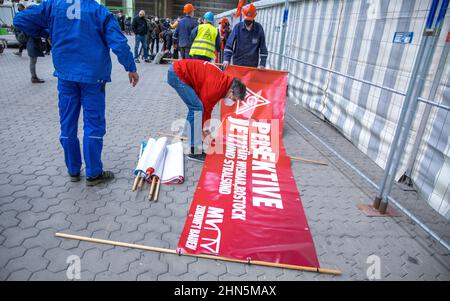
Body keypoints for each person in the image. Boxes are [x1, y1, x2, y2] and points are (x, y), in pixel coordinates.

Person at [14, 0, 139, 186]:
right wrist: (130, 67)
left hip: (66, 74)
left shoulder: (52, 6)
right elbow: (118, 43)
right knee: (93, 124)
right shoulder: (99, 11)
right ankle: (93, 173)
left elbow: (20, 20)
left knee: (67, 123)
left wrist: (48, 32)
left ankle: (73, 170)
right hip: (93, 77)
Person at [167, 59, 247, 162]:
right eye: (234, 99)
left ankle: (187, 136)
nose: (233, 102)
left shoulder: (224, 84)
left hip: (178, 71)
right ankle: (194, 151)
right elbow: (204, 107)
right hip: (177, 73)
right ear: (231, 91)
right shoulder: (217, 86)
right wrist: (204, 131)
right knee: (196, 108)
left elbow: (208, 108)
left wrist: (205, 129)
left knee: (195, 107)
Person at [223, 3, 268, 69]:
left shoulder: (259, 29)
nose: (248, 21)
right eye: (246, 19)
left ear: (254, 17)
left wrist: (262, 64)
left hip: (252, 66)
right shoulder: (237, 27)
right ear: (243, 16)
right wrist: (226, 59)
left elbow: (263, 48)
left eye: (250, 20)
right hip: (238, 64)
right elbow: (229, 45)